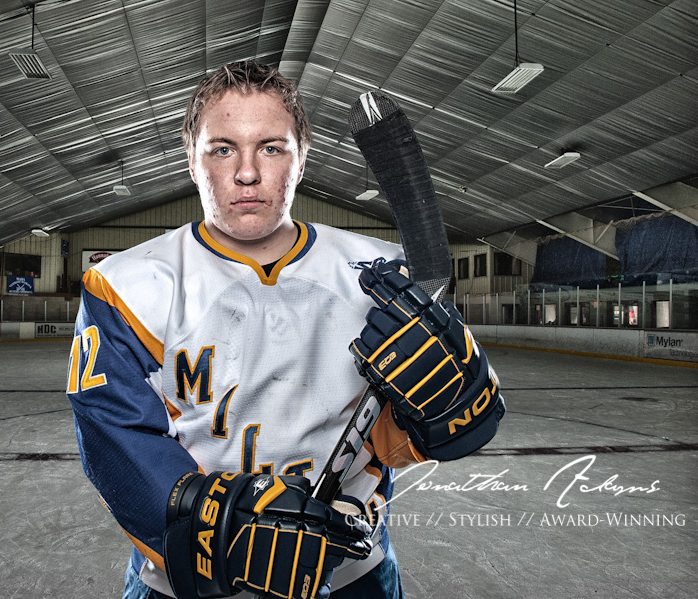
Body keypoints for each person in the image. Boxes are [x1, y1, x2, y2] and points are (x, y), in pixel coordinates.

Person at [66, 61, 504, 599]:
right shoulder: (124, 284)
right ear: (191, 160)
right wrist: (220, 532)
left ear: (302, 159)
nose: (247, 173)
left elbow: (390, 437)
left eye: (271, 148)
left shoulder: (385, 274)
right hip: (185, 584)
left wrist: (434, 419)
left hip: (350, 577)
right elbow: (115, 439)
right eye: (222, 149)